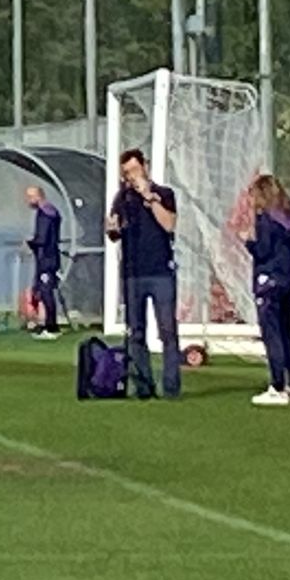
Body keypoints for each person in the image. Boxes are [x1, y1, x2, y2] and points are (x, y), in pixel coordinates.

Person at [106, 149, 181, 399]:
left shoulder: (164, 194)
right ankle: (143, 385)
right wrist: (113, 228)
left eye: (134, 170)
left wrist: (149, 198)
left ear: (145, 167)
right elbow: (115, 232)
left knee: (167, 330)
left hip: (160, 271)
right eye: (126, 173)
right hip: (133, 272)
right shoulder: (122, 198)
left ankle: (171, 386)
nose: (131, 176)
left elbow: (169, 224)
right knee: (135, 331)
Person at [243, 174, 290, 407]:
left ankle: (278, 386)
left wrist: (248, 242)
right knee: (286, 333)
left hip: (268, 280)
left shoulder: (266, 219)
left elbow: (263, 251)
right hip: (287, 279)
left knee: (272, 334)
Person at [25, 186, 63, 340]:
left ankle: (51, 326)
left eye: (30, 196)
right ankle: (44, 323)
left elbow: (42, 238)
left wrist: (30, 243)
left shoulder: (45, 214)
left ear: (38, 196)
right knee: (41, 290)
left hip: (46, 258)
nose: (28, 200)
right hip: (48, 257)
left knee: (46, 292)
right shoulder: (50, 212)